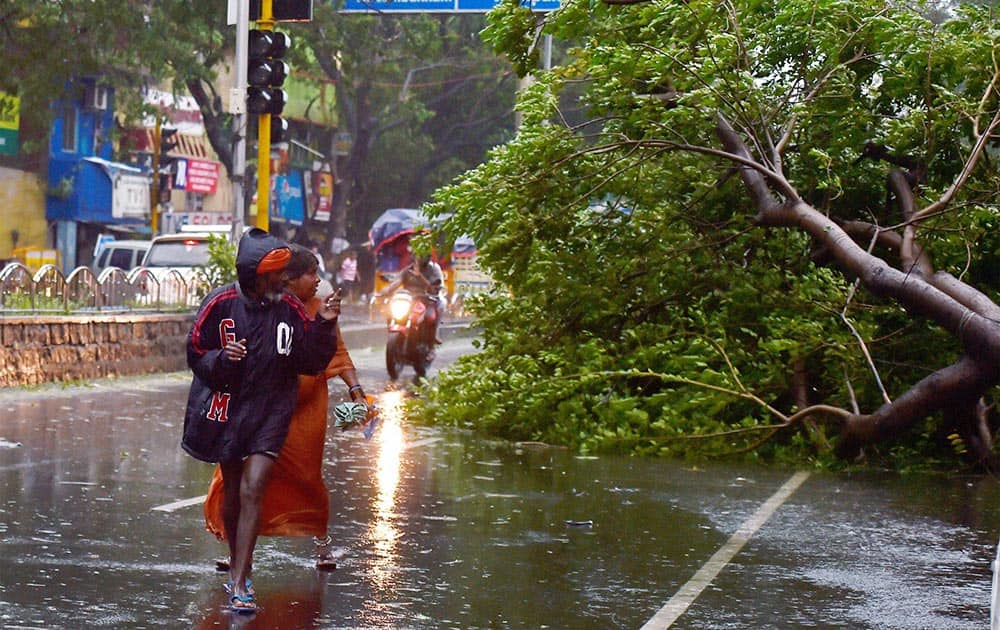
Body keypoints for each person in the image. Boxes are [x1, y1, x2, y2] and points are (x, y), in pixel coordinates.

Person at [181, 228, 341, 614]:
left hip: (272, 410)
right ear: (256, 274)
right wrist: (222, 357)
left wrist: (324, 325)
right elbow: (195, 352)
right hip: (230, 410)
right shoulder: (219, 303)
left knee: (255, 486)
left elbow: (310, 360)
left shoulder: (289, 309)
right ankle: (241, 563)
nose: (283, 281)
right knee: (234, 489)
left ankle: (239, 583)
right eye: (276, 275)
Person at [203, 244, 373, 574]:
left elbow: (335, 351)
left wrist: (356, 390)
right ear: (288, 278)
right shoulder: (260, 305)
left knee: (305, 477)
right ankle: (238, 553)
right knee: (236, 479)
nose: (318, 280)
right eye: (312, 274)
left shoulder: (318, 307)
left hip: (303, 413)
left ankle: (322, 543)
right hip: (259, 406)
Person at [382, 250, 444, 344]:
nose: (419, 259)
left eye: (422, 256)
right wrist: (385, 291)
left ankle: (435, 334)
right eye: (417, 256)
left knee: (431, 315)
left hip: (427, 299)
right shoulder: (407, 270)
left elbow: (433, 289)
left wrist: (420, 276)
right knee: (390, 310)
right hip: (409, 299)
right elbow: (397, 282)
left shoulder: (434, 269)